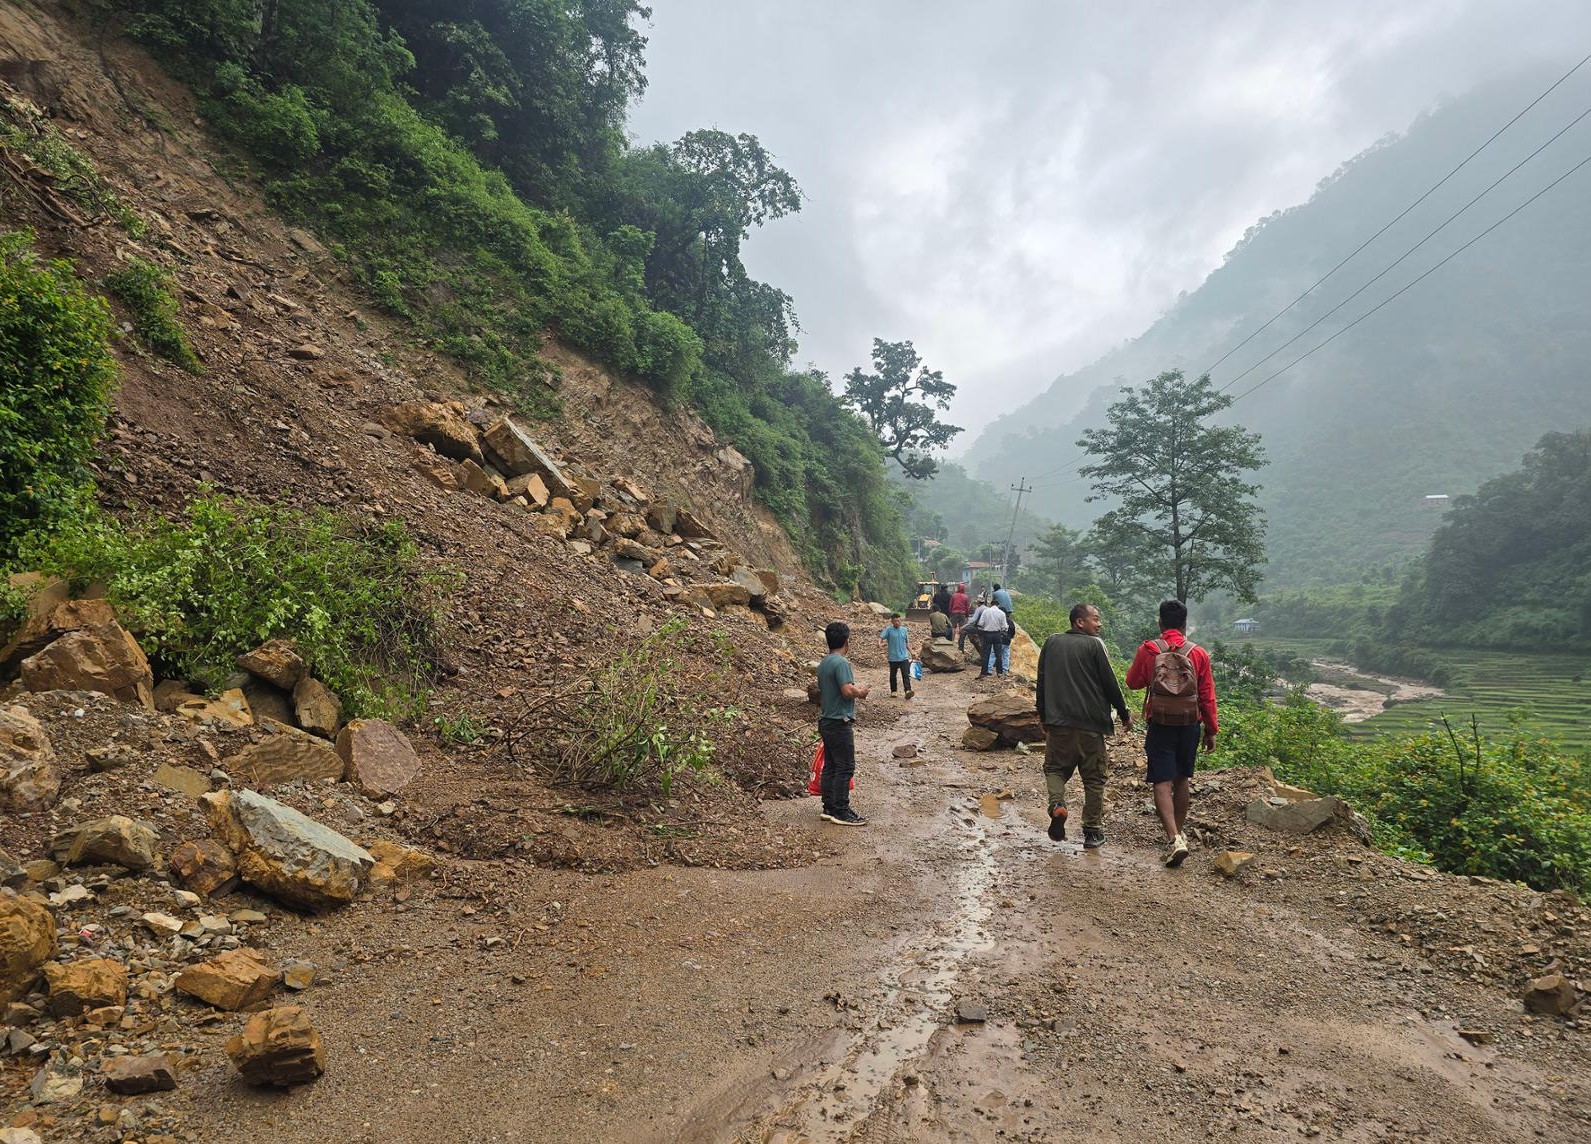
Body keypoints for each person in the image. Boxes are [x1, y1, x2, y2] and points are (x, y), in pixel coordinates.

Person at [1125, 599, 1218, 867]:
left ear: (1160, 623)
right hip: (1190, 723)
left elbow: (1133, 683)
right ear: (1185, 625)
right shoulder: (1198, 653)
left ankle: (1173, 838)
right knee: (1182, 779)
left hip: (1161, 721)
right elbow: (1207, 695)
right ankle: (1178, 836)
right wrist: (1210, 730)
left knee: (1161, 782)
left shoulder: (1150, 649)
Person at [1036, 603, 1132, 849]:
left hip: (1058, 723)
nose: (1099, 624)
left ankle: (1057, 805)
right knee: (1094, 778)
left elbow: (1042, 681)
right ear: (1080, 622)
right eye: (1095, 619)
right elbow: (1110, 683)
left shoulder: (1051, 642)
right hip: (1091, 725)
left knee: (1055, 769)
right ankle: (1092, 831)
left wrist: (1043, 715)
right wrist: (1123, 713)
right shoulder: (1094, 645)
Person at [817, 621, 871, 826]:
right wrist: (861, 692)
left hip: (826, 720)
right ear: (847, 642)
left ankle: (829, 807)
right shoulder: (841, 663)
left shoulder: (825, 662)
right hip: (840, 721)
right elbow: (847, 691)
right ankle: (841, 810)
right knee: (845, 767)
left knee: (831, 766)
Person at [879, 613, 915, 699]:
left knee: (905, 674)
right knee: (893, 675)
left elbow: (906, 643)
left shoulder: (904, 630)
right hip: (893, 657)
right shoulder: (889, 630)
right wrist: (879, 643)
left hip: (903, 657)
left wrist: (912, 652)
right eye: (895, 621)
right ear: (892, 621)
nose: (898, 622)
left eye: (899, 620)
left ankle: (908, 691)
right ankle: (893, 691)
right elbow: (881, 637)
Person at [975, 599, 1009, 678]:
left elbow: (980, 624)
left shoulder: (986, 612)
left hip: (987, 634)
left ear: (990, 604)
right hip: (997, 634)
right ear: (998, 605)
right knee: (998, 654)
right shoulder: (1001, 613)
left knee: (986, 654)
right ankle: (999, 673)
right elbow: (1004, 627)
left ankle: (983, 673)